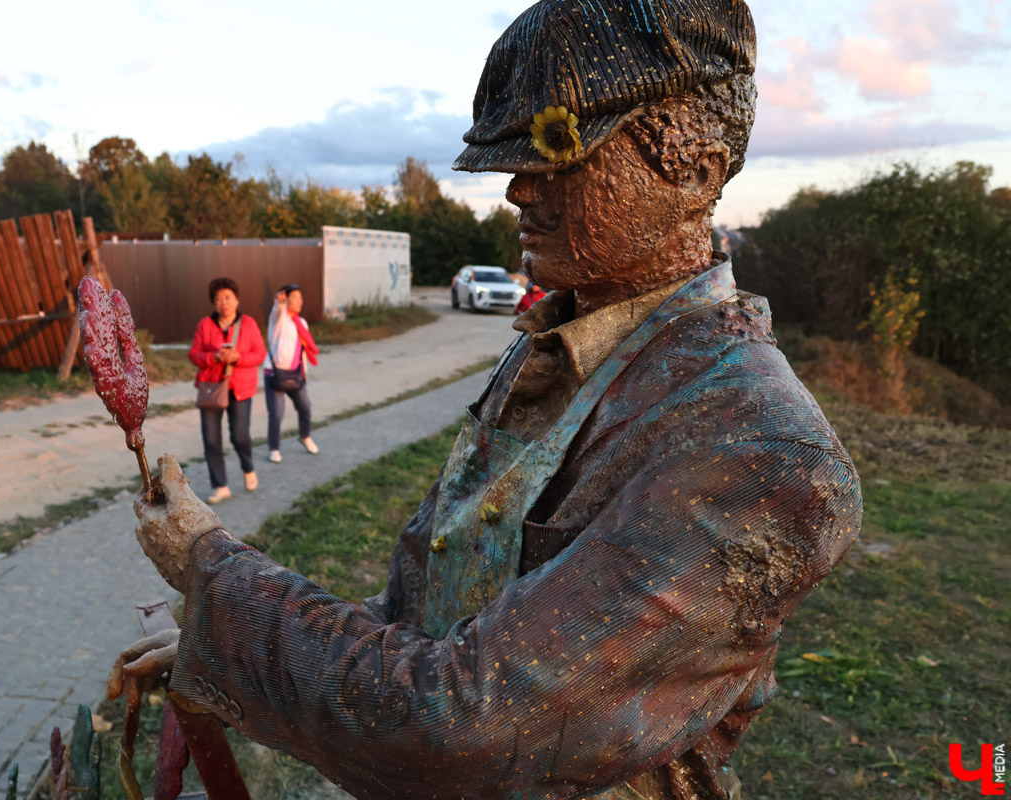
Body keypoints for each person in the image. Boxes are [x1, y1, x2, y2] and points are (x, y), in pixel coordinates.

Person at [113, 3, 863, 798]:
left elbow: (461, 725)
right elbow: (427, 619)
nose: (518, 188)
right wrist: (229, 648)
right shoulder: (549, 351)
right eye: (513, 158)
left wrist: (215, 577)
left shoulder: (763, 451)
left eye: (559, 145)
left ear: (695, 170)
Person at [188, 277, 265, 504]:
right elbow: (194, 354)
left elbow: (259, 354)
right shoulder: (205, 325)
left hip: (241, 388)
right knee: (211, 440)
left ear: (237, 300)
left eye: (228, 298)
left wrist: (238, 357)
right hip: (211, 388)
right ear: (213, 302)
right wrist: (213, 357)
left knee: (240, 436)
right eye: (218, 299)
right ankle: (220, 485)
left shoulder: (249, 324)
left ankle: (248, 467)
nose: (224, 303)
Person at [263, 284, 320, 463]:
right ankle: (274, 448)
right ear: (286, 300)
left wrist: (304, 373)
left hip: (296, 374)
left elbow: (301, 349)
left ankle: (305, 436)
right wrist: (278, 304)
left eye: (300, 298)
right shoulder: (277, 318)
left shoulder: (302, 323)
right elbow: (277, 310)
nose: (299, 301)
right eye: (295, 297)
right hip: (275, 374)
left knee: (305, 407)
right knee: (277, 414)